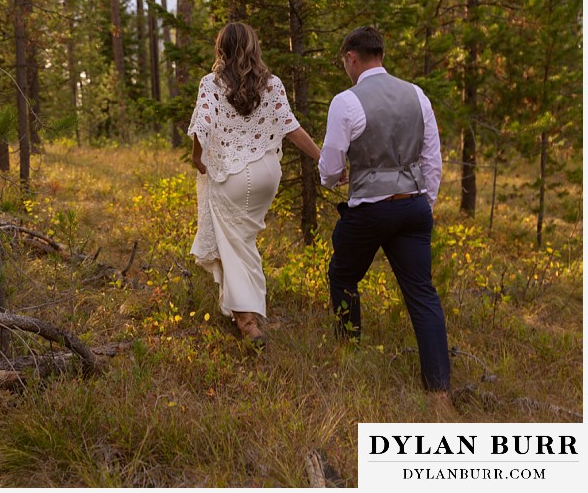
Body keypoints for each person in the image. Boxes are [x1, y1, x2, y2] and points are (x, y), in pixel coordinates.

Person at [318, 25, 450, 393]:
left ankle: (349, 357)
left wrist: (334, 179)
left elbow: (329, 168)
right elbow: (432, 160)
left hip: (370, 212)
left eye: (344, 62)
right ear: (382, 55)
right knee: (422, 295)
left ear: (352, 57)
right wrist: (425, 205)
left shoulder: (346, 102)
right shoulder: (417, 96)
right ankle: (439, 390)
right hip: (413, 206)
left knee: (343, 276)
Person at [188, 22, 321, 346]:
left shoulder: (211, 83)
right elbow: (292, 128)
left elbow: (201, 126)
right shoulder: (271, 84)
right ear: (253, 48)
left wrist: (197, 158)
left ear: (222, 48)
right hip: (266, 173)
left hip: (232, 177)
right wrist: (322, 157)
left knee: (234, 245)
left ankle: (248, 321)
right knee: (242, 241)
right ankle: (242, 310)